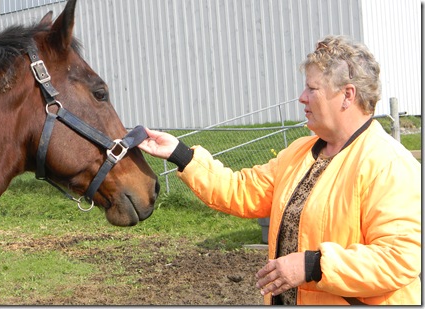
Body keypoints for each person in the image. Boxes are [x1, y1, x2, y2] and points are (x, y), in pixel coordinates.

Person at [137, 35, 421, 305]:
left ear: (347, 95)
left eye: (312, 88)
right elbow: (242, 191)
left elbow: (400, 258)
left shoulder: (388, 164)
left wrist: (313, 266)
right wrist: (181, 154)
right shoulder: (299, 153)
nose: (302, 97)